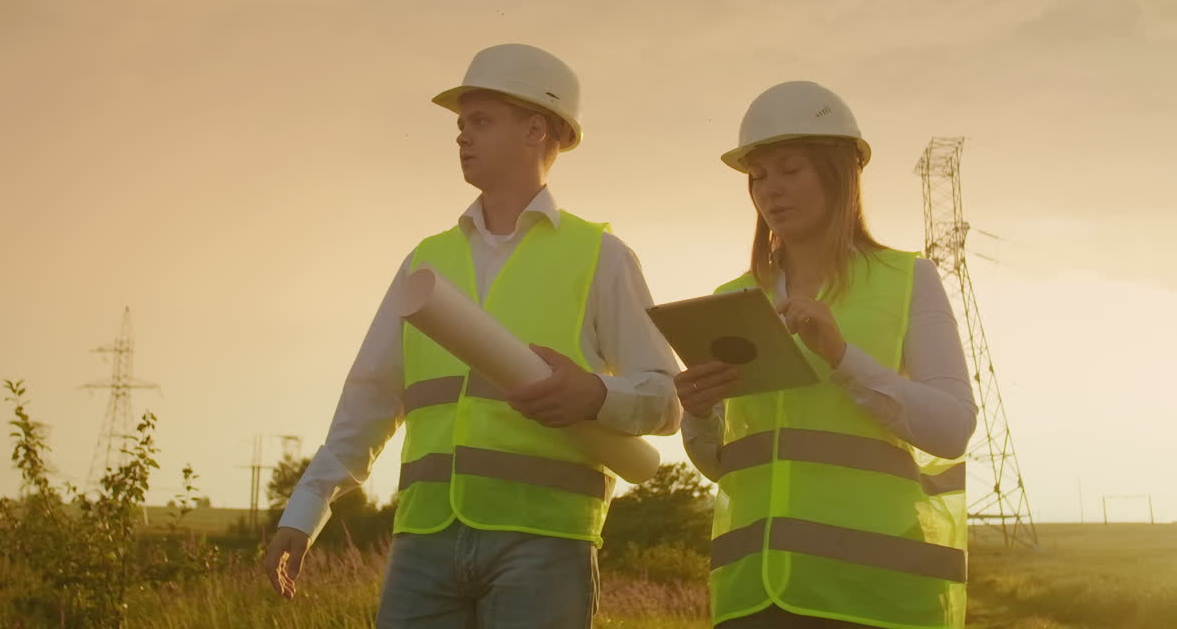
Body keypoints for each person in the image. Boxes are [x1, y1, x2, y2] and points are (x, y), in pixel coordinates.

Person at [264, 43, 681, 628]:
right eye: (462, 125)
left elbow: (667, 400)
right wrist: (306, 509)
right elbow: (372, 396)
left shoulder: (602, 258)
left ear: (536, 128)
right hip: (425, 541)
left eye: (480, 122)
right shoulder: (427, 261)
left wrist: (595, 394)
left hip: (545, 542)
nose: (462, 136)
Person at [678, 81, 978, 628]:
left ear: (841, 173)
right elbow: (728, 467)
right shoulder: (731, 301)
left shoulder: (907, 279)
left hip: (875, 596)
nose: (771, 190)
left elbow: (953, 429)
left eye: (790, 169)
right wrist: (696, 414)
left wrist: (843, 358)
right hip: (753, 595)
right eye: (759, 176)